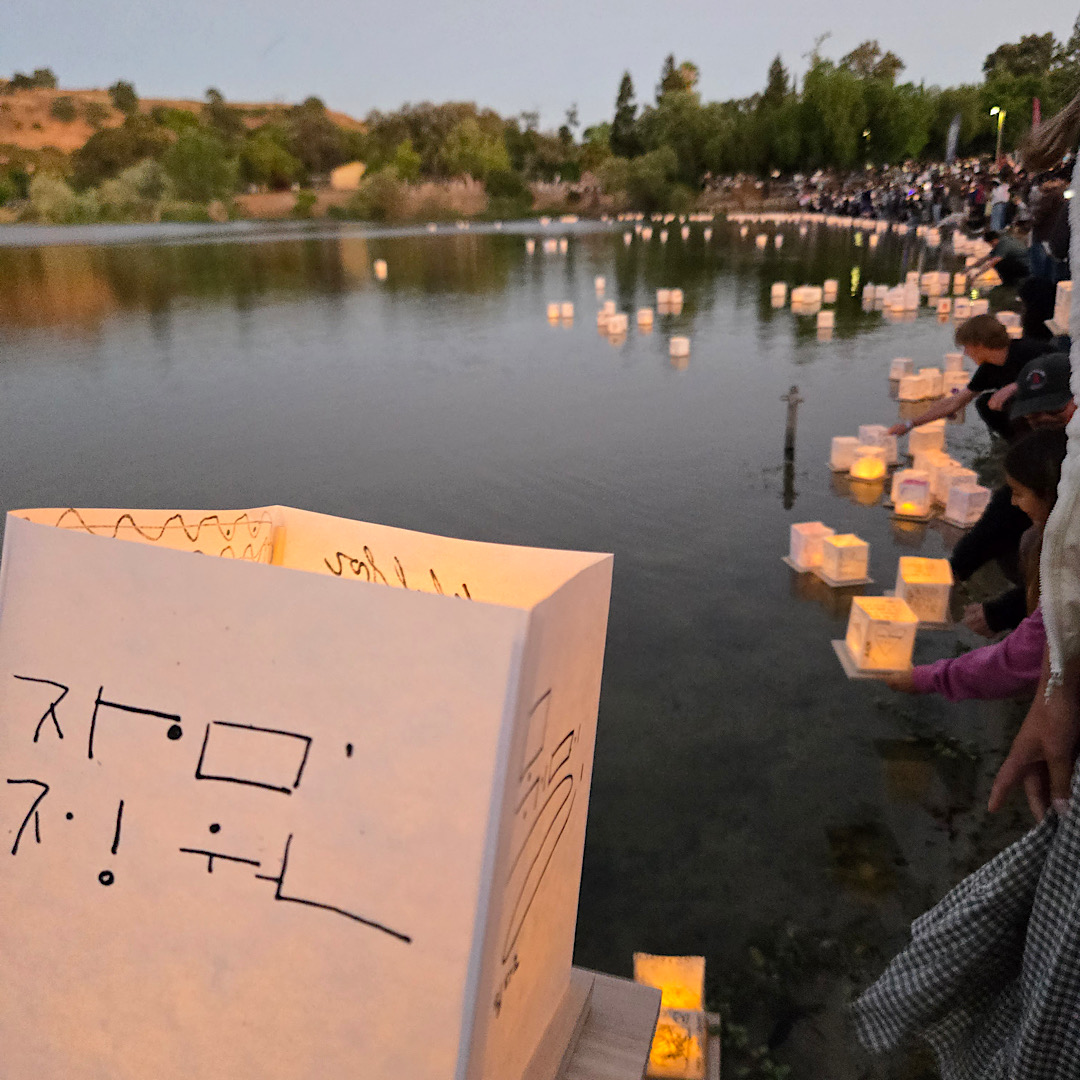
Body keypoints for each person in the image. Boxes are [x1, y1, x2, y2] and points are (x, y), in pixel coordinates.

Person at [853, 91, 1080, 1080]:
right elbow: (1036, 644)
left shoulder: (1037, 390)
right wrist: (910, 432)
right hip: (1042, 576)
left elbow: (1030, 651)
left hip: (1042, 572)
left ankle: (952, 598)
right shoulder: (1009, 402)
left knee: (995, 567)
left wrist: (930, 677)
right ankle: (951, 596)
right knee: (991, 562)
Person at [885, 427, 1068, 699]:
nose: (1014, 503)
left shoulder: (1067, 569)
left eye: (1018, 493)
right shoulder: (1059, 535)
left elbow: (1017, 660)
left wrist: (930, 677)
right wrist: (952, 572)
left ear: (1051, 494)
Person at [952, 352, 1076, 637]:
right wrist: (955, 570)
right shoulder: (1051, 448)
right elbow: (1004, 514)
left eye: (1055, 411)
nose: (1044, 422)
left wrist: (1003, 612)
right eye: (1034, 417)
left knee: (1032, 541)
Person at [888, 315, 1054, 441]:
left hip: (1057, 410)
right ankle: (1019, 444)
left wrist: (1016, 386)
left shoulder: (1028, 351)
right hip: (1031, 412)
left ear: (979, 345)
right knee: (984, 403)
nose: (965, 353)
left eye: (967, 347)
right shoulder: (989, 368)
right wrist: (909, 424)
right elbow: (955, 402)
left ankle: (1038, 444)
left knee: (1010, 401)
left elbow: (1061, 370)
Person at [965, 227, 1031, 290]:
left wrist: (976, 275)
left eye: (990, 243)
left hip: (1024, 265)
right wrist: (970, 267)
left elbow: (992, 263)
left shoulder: (1003, 244)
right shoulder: (1001, 242)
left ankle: (1010, 282)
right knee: (997, 261)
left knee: (999, 263)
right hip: (1019, 263)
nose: (990, 246)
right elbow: (985, 258)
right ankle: (1009, 282)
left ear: (994, 240)